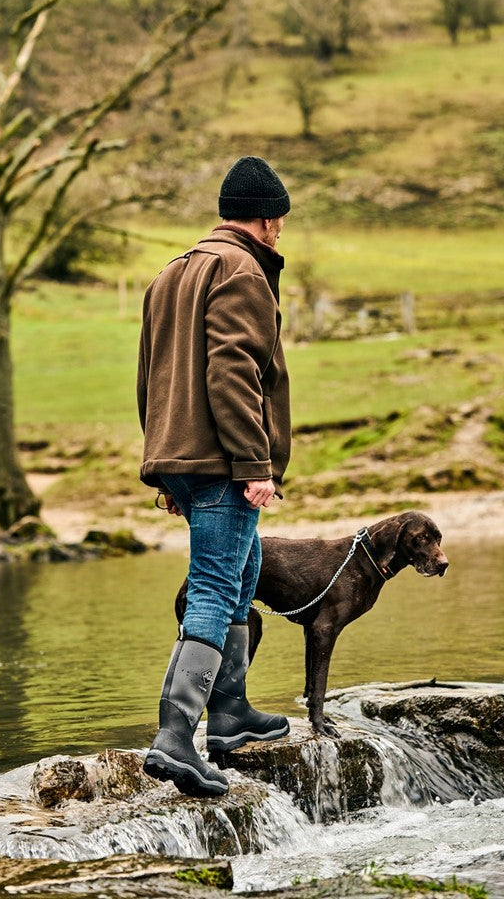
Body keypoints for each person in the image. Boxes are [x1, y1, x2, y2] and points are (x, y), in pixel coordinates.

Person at [136, 156, 293, 797]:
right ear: (266, 220)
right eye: (280, 222)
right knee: (214, 584)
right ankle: (175, 739)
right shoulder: (242, 270)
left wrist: (165, 469)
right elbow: (234, 372)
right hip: (225, 463)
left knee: (243, 571)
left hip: (186, 457)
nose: (280, 233)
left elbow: (149, 378)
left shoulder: (171, 272)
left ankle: (230, 715)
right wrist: (254, 464)